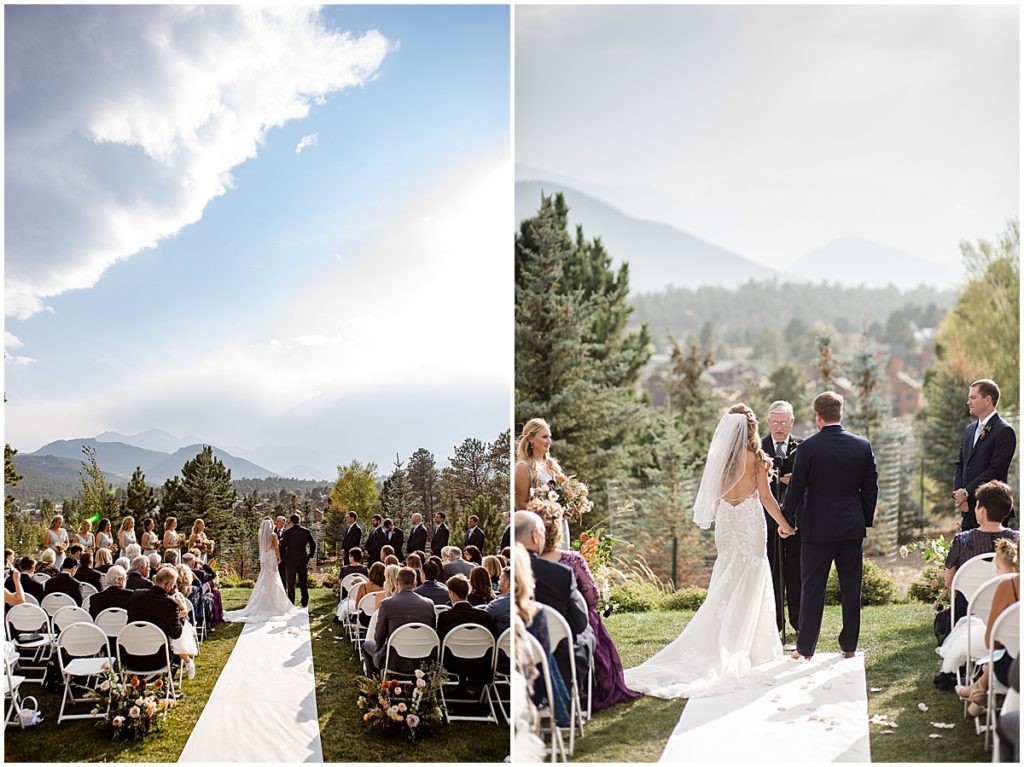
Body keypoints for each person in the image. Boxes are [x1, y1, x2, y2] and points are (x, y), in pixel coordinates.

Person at [626, 405, 797, 698]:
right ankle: (751, 648)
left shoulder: (720, 458)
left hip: (727, 522)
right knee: (751, 577)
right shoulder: (755, 457)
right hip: (748, 520)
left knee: (728, 577)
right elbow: (766, 497)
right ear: (752, 428)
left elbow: (714, 497)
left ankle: (727, 638)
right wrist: (785, 525)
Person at [783, 392, 877, 661]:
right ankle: (849, 647)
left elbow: (796, 489)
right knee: (851, 588)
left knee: (812, 588)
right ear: (841, 413)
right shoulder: (862, 446)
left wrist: (787, 520)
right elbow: (871, 488)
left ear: (818, 417)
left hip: (816, 529)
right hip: (851, 528)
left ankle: (806, 648)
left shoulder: (808, 448)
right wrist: (863, 519)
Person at [534, 498, 641, 710]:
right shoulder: (572, 560)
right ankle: (588, 685)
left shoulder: (525, 563)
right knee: (590, 618)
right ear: (557, 530)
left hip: (537, 628)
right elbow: (593, 597)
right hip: (572, 625)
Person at [940, 536, 1018, 690]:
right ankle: (977, 693)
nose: (995, 572)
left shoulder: (1008, 586)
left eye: (998, 568)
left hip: (1012, 668)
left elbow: (991, 642)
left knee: (995, 654)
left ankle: (977, 691)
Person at [943, 480, 1019, 621]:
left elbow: (949, 582)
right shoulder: (1018, 540)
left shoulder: (961, 541)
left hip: (968, 613)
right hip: (1008, 613)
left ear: (982, 511)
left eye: (977, 505)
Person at [953, 379, 1017, 531]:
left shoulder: (1004, 431)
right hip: (968, 510)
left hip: (992, 512)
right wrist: (959, 496)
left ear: (988, 399)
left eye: (973, 398)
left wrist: (967, 492)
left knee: (990, 555)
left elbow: (996, 470)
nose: (968, 402)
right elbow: (960, 464)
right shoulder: (969, 430)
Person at [762, 400, 802, 637]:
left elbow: (813, 484)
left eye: (783, 422)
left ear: (792, 422)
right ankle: (776, 623)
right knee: (772, 571)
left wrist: (796, 482)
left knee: (796, 572)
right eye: (775, 422)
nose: (779, 427)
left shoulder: (803, 447)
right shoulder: (759, 448)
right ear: (768, 422)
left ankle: (799, 622)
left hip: (797, 523)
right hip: (768, 522)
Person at [361, 567, 436, 675]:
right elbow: (432, 632)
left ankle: (375, 684)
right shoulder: (429, 604)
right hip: (423, 659)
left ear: (397, 582)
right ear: (415, 583)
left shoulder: (387, 604)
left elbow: (379, 638)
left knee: (367, 644)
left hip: (395, 661)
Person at [224, 518, 299, 623]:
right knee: (274, 578)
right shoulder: (273, 535)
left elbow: (262, 547)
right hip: (271, 557)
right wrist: (279, 558)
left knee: (265, 577)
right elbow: (276, 548)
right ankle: (274, 604)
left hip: (264, 557)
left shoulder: (260, 535)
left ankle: (264, 602)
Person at [127, 565, 196, 679]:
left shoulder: (135, 595)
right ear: (168, 585)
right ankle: (165, 686)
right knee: (175, 645)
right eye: (173, 585)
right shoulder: (169, 604)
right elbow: (176, 634)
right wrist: (182, 613)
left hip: (130, 656)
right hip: (157, 658)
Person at [515, 418, 571, 550]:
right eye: (544, 437)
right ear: (531, 439)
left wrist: (569, 505)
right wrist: (542, 519)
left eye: (550, 437)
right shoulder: (523, 468)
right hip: (540, 528)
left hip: (560, 524)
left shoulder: (553, 466)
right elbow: (521, 505)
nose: (549, 441)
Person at [280, 513, 316, 608]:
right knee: (303, 581)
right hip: (302, 559)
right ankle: (304, 601)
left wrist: (283, 557)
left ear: (291, 521)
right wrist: (310, 555)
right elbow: (313, 544)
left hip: (290, 559)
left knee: (291, 583)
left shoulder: (287, 532)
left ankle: (291, 602)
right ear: (299, 520)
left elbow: (283, 546)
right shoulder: (306, 531)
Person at [485, 566, 512, 637]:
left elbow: (482, 621)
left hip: (499, 646)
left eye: (500, 579)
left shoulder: (496, 605)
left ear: (507, 584)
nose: (498, 582)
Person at [274, 515, 287, 585]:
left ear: (283, 523)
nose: (276, 522)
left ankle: (283, 590)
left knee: (283, 574)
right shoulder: (272, 532)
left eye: (278, 521)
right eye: (276, 521)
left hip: (284, 556)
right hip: (273, 555)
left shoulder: (287, 532)